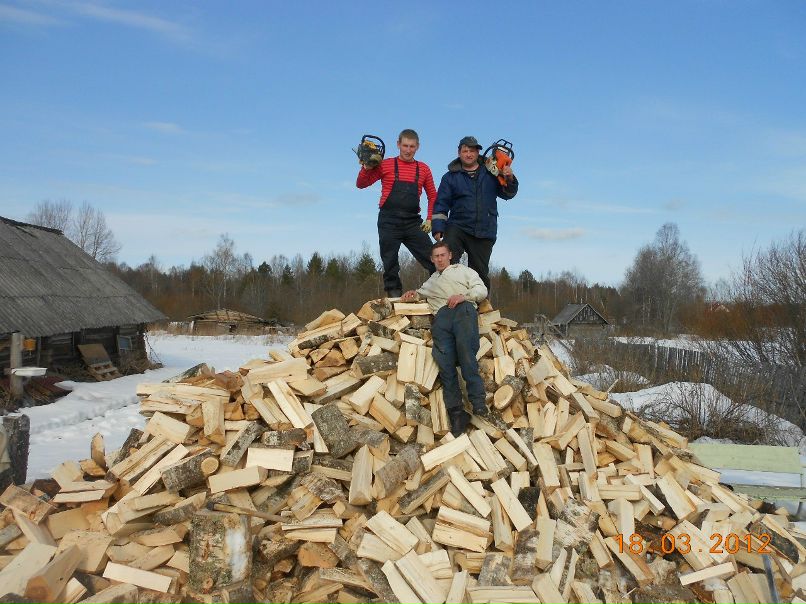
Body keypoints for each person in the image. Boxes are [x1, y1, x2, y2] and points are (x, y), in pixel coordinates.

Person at [401, 241, 489, 436]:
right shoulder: (431, 281)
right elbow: (419, 294)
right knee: (445, 363)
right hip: (441, 319)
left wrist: (464, 296)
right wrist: (412, 294)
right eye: (436, 256)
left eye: (443, 255)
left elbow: (482, 290)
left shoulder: (463, 271)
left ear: (450, 255)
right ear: (432, 260)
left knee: (466, 354)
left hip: (463, 311)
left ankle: (478, 403)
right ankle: (457, 413)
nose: (440, 259)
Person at [356, 129, 437, 298]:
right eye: (405, 145)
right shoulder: (385, 165)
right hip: (388, 220)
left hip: (413, 222)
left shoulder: (423, 169)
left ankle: (437, 291)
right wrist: (366, 167)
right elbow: (361, 184)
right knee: (390, 261)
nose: (408, 150)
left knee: (433, 257)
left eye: (412, 146)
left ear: (417, 147)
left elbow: (432, 195)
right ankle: (394, 297)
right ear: (398, 144)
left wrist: (430, 218)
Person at [431, 136, 518, 292]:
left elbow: (508, 194)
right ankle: (443, 298)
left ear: (478, 152)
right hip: (458, 226)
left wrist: (509, 177)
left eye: (472, 151)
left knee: (480, 273)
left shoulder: (492, 172)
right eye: (465, 151)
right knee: (448, 264)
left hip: (485, 228)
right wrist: (438, 227)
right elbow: (441, 203)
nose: (469, 154)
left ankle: (481, 308)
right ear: (459, 153)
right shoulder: (450, 177)